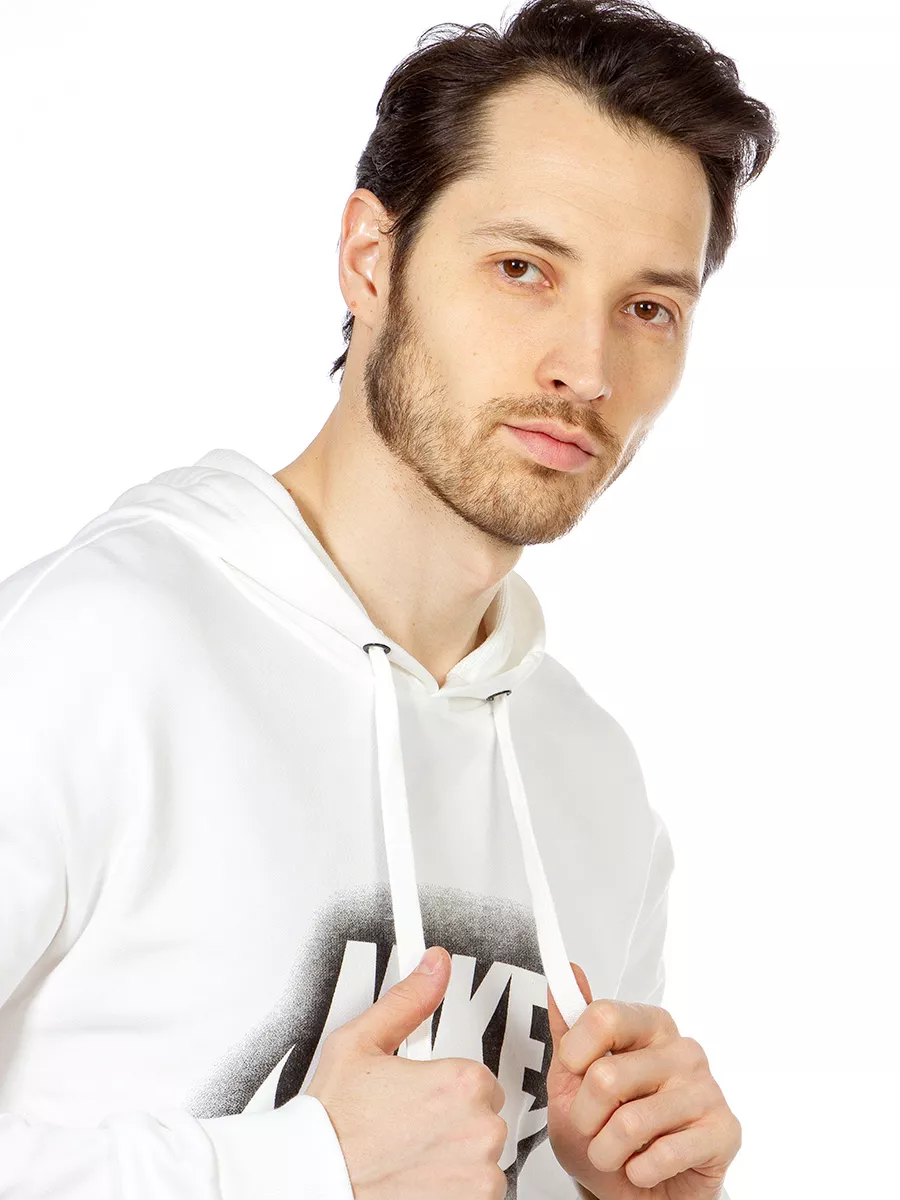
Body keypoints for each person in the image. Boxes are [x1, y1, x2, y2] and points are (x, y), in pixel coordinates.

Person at [0, 1, 777, 1197]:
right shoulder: (86, 657)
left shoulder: (594, 785)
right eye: (523, 269)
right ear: (371, 258)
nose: (587, 368)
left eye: (648, 309)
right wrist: (298, 1169)